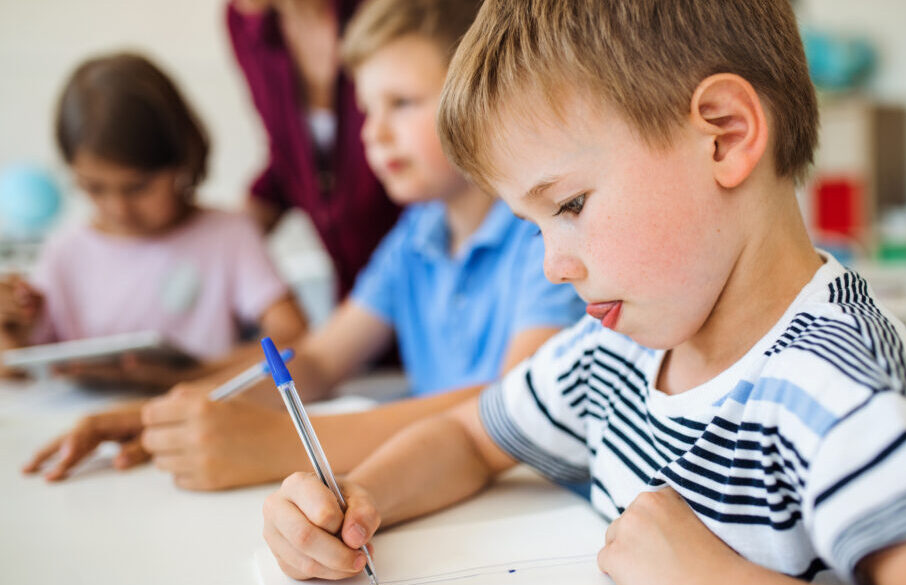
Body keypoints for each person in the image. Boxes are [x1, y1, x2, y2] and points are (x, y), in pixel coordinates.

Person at [260, 1, 906, 583]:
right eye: (533, 226)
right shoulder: (613, 350)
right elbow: (469, 437)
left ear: (723, 136)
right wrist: (354, 500)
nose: (554, 265)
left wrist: (715, 576)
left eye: (568, 207)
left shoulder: (836, 387)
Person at [25, 0, 584, 492]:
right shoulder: (415, 236)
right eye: (367, 108)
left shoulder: (538, 234)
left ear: (477, 98)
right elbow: (315, 360)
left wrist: (275, 444)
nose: (373, 132)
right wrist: (161, 414)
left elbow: (510, 405)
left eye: (402, 103)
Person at [13, 52, 307, 478]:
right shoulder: (64, 251)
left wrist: (195, 372)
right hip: (84, 449)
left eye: (137, 187)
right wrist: (11, 331)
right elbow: (18, 370)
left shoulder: (228, 235)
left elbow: (294, 338)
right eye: (94, 188)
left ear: (181, 160)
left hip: (196, 433)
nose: (118, 208)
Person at [228, 0, 400, 301]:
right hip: (356, 289)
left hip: (419, 265)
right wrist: (220, 238)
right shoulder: (245, 24)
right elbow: (288, 158)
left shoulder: (391, 13)